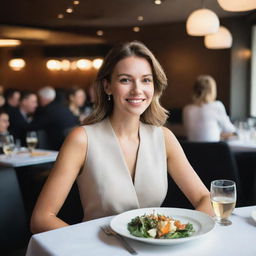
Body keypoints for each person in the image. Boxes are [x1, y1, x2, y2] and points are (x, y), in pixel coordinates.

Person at [31, 41, 213, 234]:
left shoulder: (163, 137)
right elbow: (41, 219)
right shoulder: (82, 139)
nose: (137, 90)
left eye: (146, 80)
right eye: (125, 80)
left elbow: (205, 197)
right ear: (107, 86)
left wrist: (183, 233)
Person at [183, 75, 236, 142]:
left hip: (192, 151)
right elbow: (230, 129)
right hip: (214, 150)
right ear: (211, 90)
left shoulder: (186, 109)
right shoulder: (217, 106)